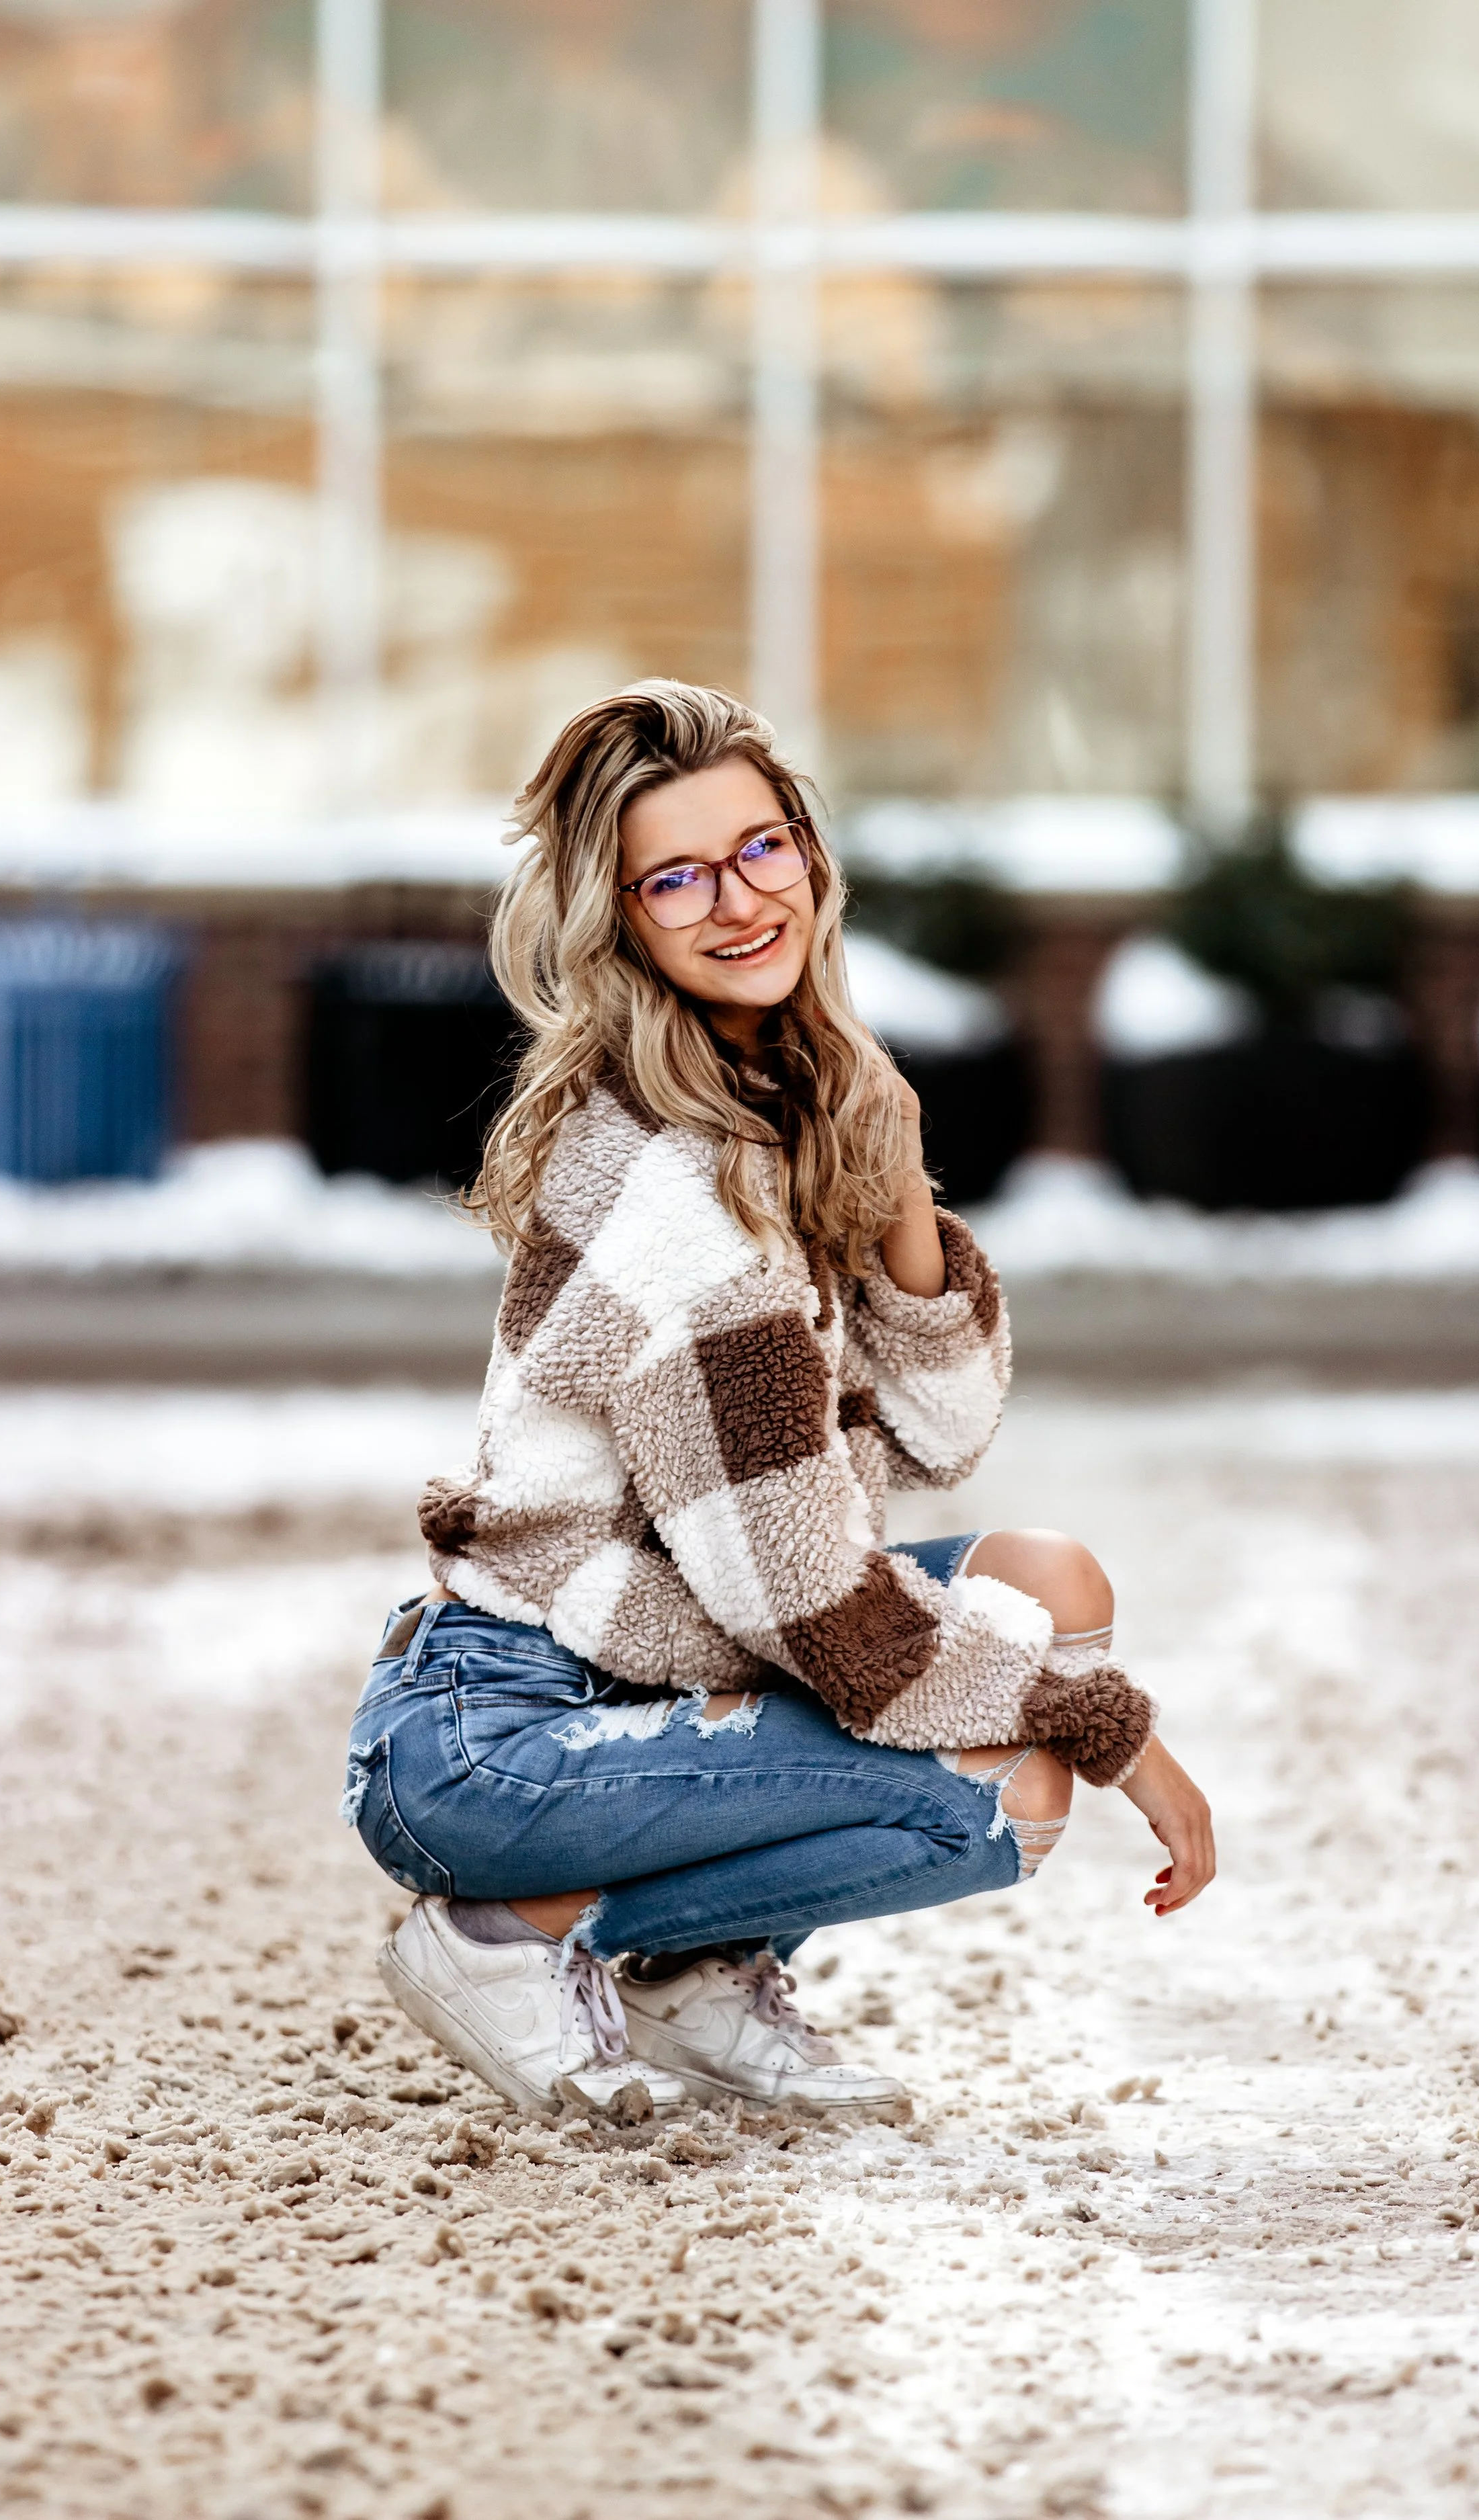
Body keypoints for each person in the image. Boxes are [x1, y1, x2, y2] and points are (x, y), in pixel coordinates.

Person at [343, 681, 1214, 2119]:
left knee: (1047, 1583)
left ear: (808, 851)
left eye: (760, 849)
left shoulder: (784, 1103)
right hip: (497, 1739)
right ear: (617, 922)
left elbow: (940, 1434)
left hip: (628, 1666)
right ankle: (509, 1935)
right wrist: (1117, 1730)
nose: (736, 900)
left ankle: (689, 1980)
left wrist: (893, 1193)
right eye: (673, 876)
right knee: (1001, 1782)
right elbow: (818, 1616)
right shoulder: (678, 1187)